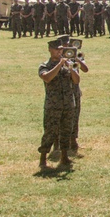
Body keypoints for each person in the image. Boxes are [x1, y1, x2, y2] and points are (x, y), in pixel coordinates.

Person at [38, 38, 80, 169]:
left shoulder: (69, 63)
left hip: (68, 104)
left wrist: (71, 68)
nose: (59, 51)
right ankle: (43, 158)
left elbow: (77, 80)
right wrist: (59, 65)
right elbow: (47, 77)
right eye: (56, 49)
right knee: (50, 131)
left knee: (66, 130)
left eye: (61, 49)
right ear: (50, 50)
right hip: (53, 104)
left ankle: (64, 156)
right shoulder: (45, 65)